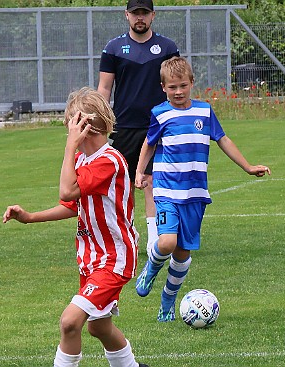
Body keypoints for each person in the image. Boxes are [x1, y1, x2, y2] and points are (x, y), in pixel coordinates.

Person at [3, 87, 149, 367]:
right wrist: (30, 216)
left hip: (113, 259)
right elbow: (73, 205)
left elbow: (68, 191)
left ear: (84, 126)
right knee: (99, 327)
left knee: (70, 322)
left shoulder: (109, 161)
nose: (67, 129)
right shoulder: (84, 159)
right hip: (92, 259)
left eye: (71, 123)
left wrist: (70, 146)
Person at [134, 56, 271, 322]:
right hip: (166, 191)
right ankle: (150, 269)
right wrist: (140, 172)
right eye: (172, 87)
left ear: (192, 83)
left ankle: (168, 300)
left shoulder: (204, 111)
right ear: (163, 87)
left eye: (182, 86)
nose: (178, 92)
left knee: (182, 255)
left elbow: (223, 139)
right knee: (167, 242)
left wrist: (248, 166)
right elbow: (149, 144)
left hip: (195, 194)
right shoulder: (160, 113)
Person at [97, 0, 180, 257]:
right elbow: (104, 89)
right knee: (121, 184)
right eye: (135, 13)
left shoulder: (167, 47)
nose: (140, 18)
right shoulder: (113, 48)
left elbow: (176, 83)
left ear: (153, 15)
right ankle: (123, 235)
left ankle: (153, 239)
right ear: (127, 16)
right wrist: (102, 121)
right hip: (124, 128)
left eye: (144, 13)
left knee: (152, 182)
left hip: (158, 127)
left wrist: (177, 117)